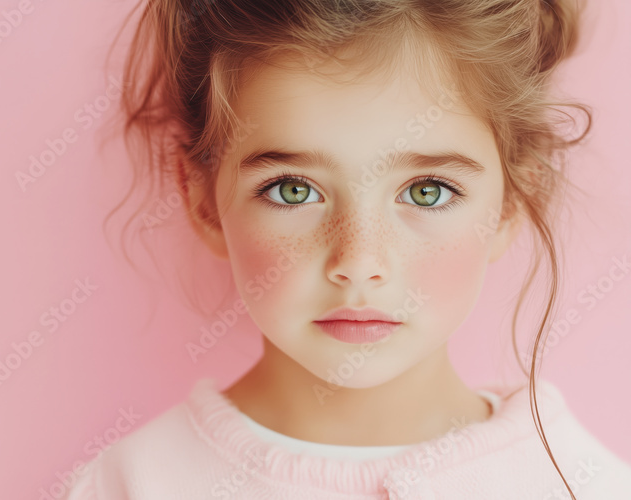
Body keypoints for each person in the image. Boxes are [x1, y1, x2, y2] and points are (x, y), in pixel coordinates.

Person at [66, 0, 631, 498]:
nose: (359, 263)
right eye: (294, 190)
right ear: (202, 200)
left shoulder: (586, 486)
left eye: (426, 192)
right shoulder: (128, 486)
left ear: (510, 203)